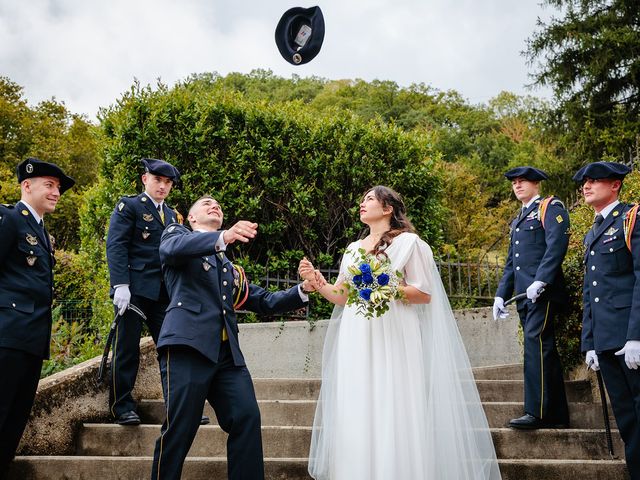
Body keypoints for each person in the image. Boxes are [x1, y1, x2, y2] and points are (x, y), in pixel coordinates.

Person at [300, 186, 501, 480]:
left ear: (388, 208)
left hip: (394, 331)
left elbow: (423, 293)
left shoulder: (410, 243)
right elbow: (343, 295)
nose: (362, 203)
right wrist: (318, 282)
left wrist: (387, 288)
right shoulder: (353, 250)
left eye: (369, 198)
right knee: (357, 405)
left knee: (393, 403)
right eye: (362, 200)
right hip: (356, 333)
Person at [151, 195, 313, 480]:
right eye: (206, 204)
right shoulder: (176, 234)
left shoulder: (229, 269)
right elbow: (172, 250)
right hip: (187, 346)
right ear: (191, 218)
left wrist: (302, 290)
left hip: (227, 357)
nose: (214, 206)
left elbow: (264, 300)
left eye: (218, 205)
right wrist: (223, 237)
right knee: (181, 428)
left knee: (246, 417)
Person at [105, 158, 209, 425]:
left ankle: (180, 408)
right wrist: (120, 285)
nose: (163, 186)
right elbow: (116, 245)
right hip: (134, 291)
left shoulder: (174, 216)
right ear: (145, 179)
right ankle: (121, 406)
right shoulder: (129, 207)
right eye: (158, 180)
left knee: (173, 350)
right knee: (126, 348)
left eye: (168, 183)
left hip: (165, 295)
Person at [0, 158, 75, 478]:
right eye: (50, 184)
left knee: (15, 421)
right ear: (26, 186)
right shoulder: (9, 219)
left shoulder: (42, 232)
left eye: (58, 187)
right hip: (8, 334)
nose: (56, 192)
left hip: (32, 339)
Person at [493, 166, 570, 429]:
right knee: (543, 348)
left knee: (535, 344)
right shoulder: (519, 219)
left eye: (523, 181)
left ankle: (536, 412)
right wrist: (501, 295)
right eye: (514, 182)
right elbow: (511, 263)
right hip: (525, 295)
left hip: (542, 292)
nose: (517, 185)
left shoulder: (549, 207)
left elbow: (556, 244)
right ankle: (557, 414)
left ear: (536, 184)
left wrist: (542, 279)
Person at [575, 161, 639, 479]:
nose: (586, 186)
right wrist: (590, 343)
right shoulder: (593, 232)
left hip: (630, 340)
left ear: (615, 185)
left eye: (594, 181)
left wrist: (636, 336)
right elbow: (591, 292)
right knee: (626, 419)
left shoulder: (631, 219)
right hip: (606, 342)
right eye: (584, 182)